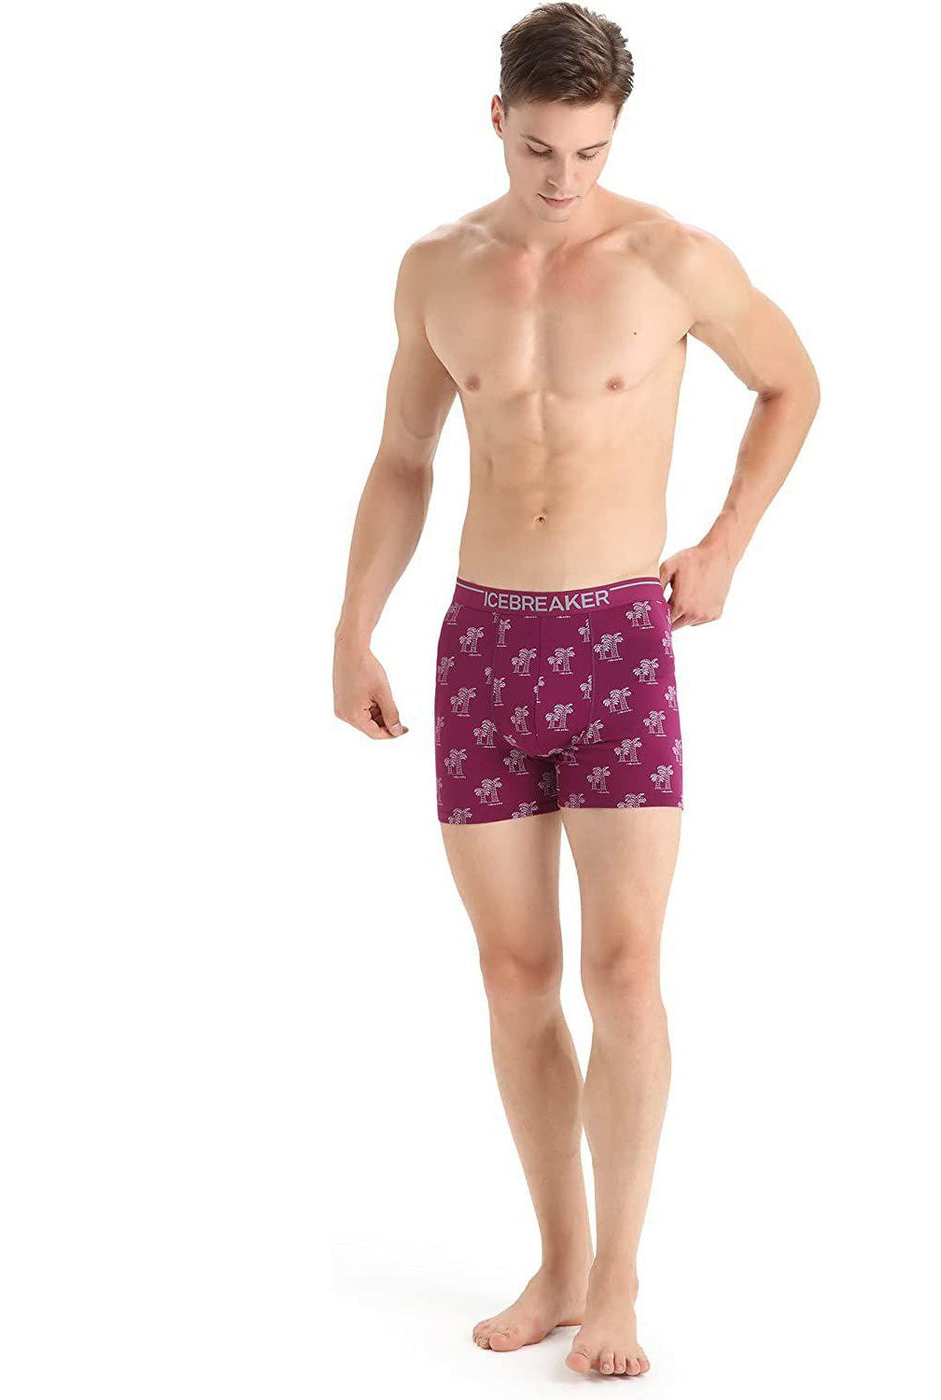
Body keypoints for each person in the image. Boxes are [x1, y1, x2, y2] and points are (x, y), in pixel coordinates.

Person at [332, 2, 819, 1378]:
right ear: (498, 119)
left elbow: (792, 386)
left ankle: (618, 1285)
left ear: (617, 134)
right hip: (482, 647)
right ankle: (554, 1261)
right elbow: (404, 458)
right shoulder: (437, 268)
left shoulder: (675, 260)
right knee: (516, 976)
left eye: (591, 152)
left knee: (624, 972)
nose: (564, 179)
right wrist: (352, 628)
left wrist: (723, 547)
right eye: (541, 148)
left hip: (618, 647)